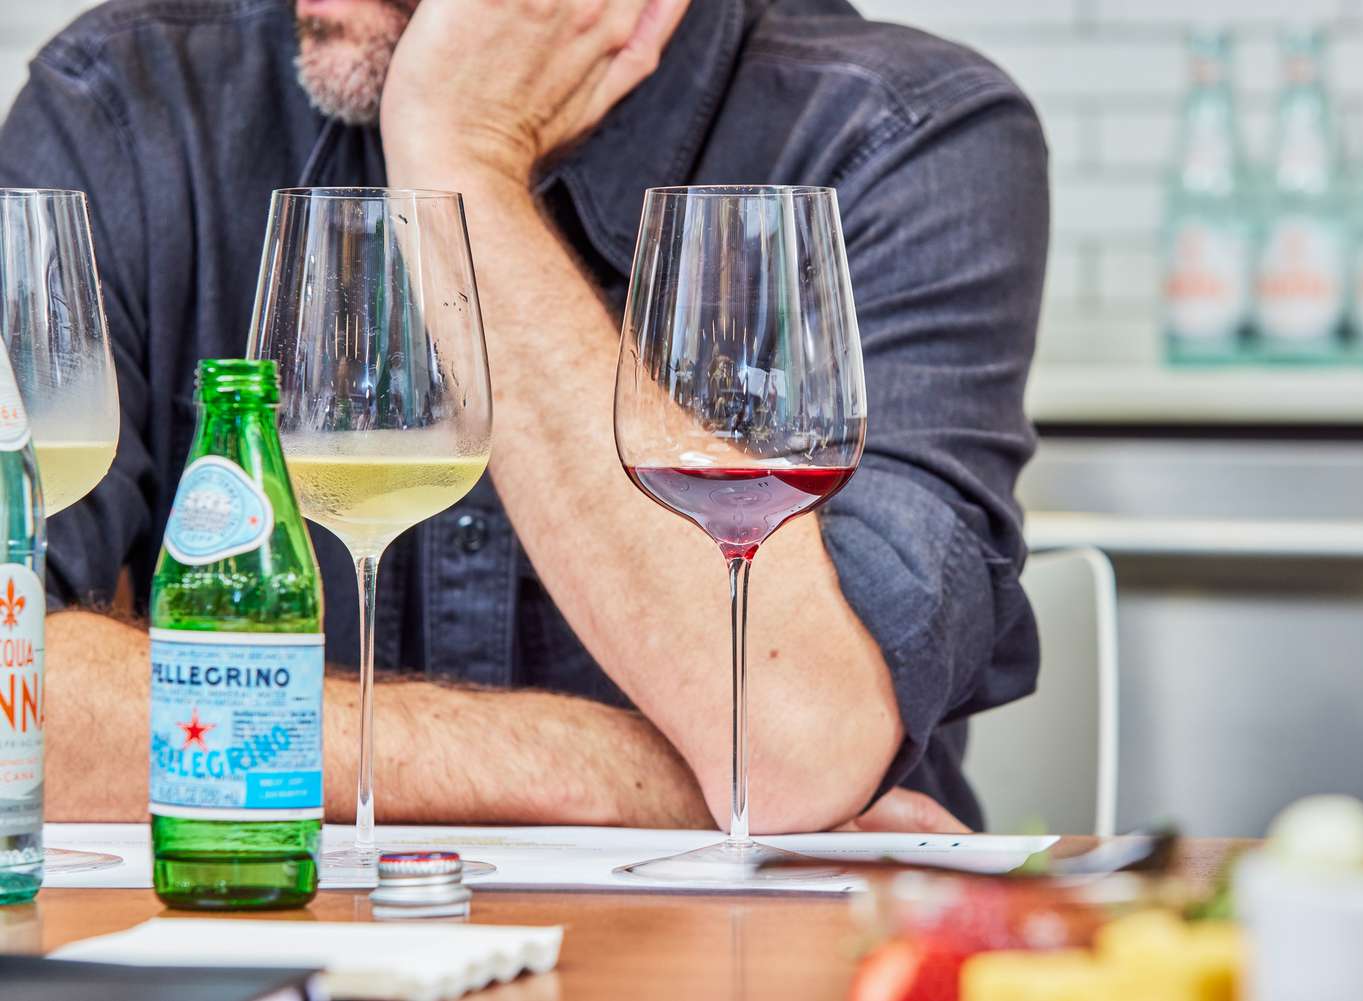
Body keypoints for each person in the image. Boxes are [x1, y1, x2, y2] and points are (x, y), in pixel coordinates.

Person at [0, 0, 1046, 834]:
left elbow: (791, 733)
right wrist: (605, 770)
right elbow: (13, 701)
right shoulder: (125, 102)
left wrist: (461, 152)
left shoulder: (897, 133)